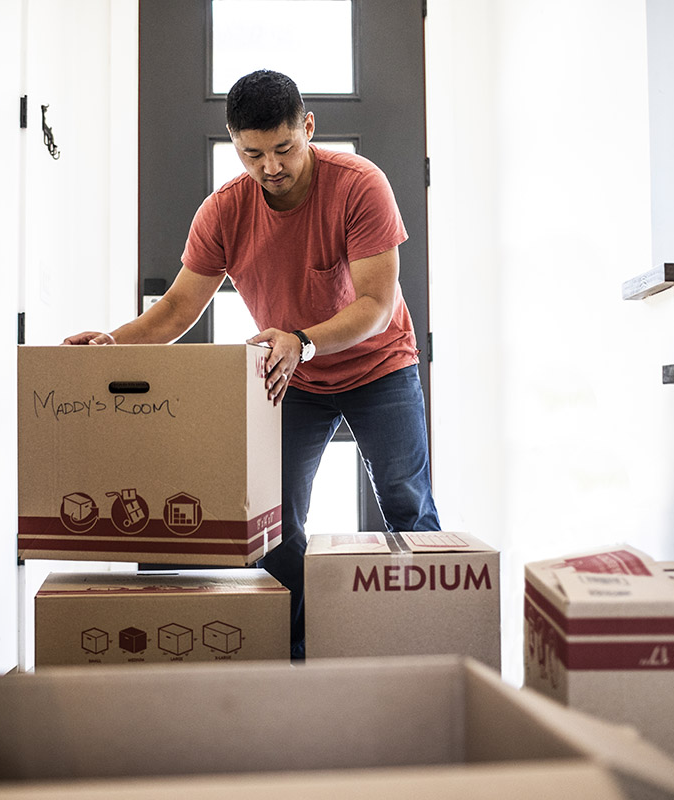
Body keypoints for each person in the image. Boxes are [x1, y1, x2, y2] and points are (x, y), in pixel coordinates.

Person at [64, 69, 440, 658]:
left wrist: (302, 340)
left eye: (284, 148)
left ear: (308, 127)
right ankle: (294, 654)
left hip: (379, 367)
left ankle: (430, 650)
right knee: (276, 522)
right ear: (235, 144)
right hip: (290, 378)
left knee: (406, 504)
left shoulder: (359, 185)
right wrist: (112, 344)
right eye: (252, 154)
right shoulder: (224, 211)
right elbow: (178, 307)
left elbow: (376, 304)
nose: (270, 167)